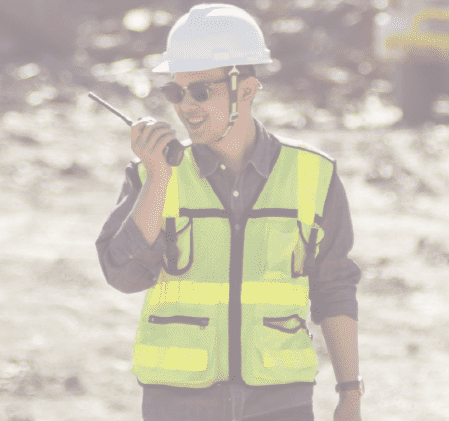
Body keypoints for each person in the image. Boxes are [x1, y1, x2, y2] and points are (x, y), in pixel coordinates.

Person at [95, 4, 362, 421]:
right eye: (175, 92)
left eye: (200, 91)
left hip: (281, 400)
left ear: (247, 90)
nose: (186, 107)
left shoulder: (314, 174)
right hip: (178, 402)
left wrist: (350, 394)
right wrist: (159, 178)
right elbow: (123, 275)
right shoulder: (153, 175)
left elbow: (334, 287)